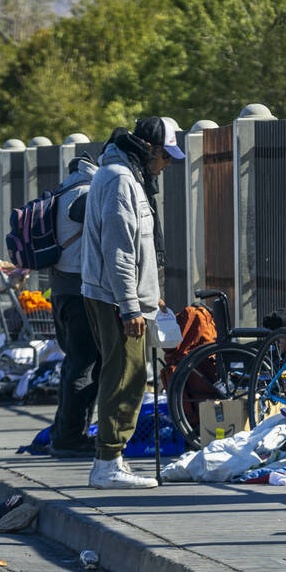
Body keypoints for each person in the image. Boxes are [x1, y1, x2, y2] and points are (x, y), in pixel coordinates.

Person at [80, 117, 184, 488]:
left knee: (126, 374)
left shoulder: (125, 176)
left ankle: (110, 461)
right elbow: (120, 251)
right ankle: (108, 464)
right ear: (149, 150)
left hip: (117, 296)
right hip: (115, 299)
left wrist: (148, 292)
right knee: (126, 376)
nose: (167, 164)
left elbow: (135, 249)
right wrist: (130, 307)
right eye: (165, 156)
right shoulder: (121, 181)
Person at [47, 154, 102, 458]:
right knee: (85, 365)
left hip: (60, 291)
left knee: (73, 363)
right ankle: (70, 438)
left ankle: (64, 431)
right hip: (80, 292)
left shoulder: (59, 193)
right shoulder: (84, 194)